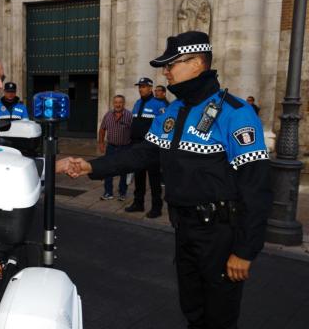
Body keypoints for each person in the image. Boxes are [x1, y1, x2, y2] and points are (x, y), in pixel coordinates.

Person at [64, 31, 271, 329]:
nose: (165, 71)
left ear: (197, 63)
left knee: (220, 316)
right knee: (193, 309)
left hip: (220, 235)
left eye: (172, 63)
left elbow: (256, 186)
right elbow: (142, 155)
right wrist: (90, 166)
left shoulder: (236, 113)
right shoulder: (173, 110)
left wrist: (245, 250)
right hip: (184, 229)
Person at [127, 77, 166, 218]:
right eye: (139, 86)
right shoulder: (137, 103)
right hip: (137, 147)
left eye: (143, 86)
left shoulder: (158, 104)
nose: (140, 89)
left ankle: (157, 208)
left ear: (150, 88)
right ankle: (138, 203)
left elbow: (165, 126)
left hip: (152, 148)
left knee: (154, 179)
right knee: (139, 178)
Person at [98, 94, 132, 201]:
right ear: (113, 103)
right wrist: (101, 143)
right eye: (116, 102)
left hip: (125, 147)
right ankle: (108, 192)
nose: (118, 104)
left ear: (123, 103)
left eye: (120, 102)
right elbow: (102, 129)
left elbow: (134, 131)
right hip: (111, 147)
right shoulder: (108, 115)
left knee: (124, 171)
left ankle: (123, 192)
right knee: (108, 170)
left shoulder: (129, 115)